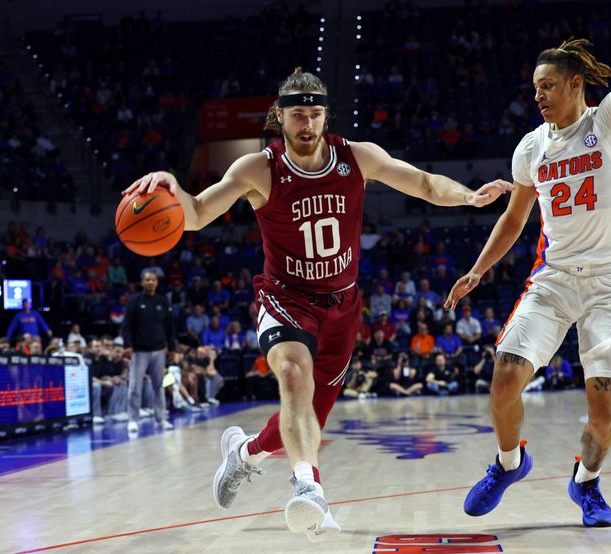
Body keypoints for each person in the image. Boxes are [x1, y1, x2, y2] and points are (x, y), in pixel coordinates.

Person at [125, 67, 511, 540]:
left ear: (326, 116)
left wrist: (470, 197)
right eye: (296, 116)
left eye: (314, 115)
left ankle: (244, 454)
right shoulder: (258, 168)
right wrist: (171, 187)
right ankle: (308, 489)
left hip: (342, 306)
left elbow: (427, 184)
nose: (306, 126)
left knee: (308, 413)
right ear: (279, 118)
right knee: (292, 377)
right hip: (285, 298)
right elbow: (199, 213)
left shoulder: (358, 157)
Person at [445, 0, 611, 529]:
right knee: (506, 378)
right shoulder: (531, 148)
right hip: (552, 280)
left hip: (606, 284)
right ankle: (510, 463)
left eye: (548, 86)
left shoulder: (610, 125)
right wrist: (479, 269)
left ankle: (586, 484)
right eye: (535, 87)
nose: (538, 96)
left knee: (604, 410)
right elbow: (513, 220)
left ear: (576, 84)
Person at [122, 271, 177, 433]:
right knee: (134, 387)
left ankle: (161, 418)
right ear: (142, 282)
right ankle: (133, 419)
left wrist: (172, 348)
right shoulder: (135, 301)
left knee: (159, 386)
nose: (150, 282)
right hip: (139, 351)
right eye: (147, 280)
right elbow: (127, 325)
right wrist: (128, 345)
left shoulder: (162, 301)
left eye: (153, 280)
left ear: (157, 282)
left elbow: (170, 326)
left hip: (159, 350)